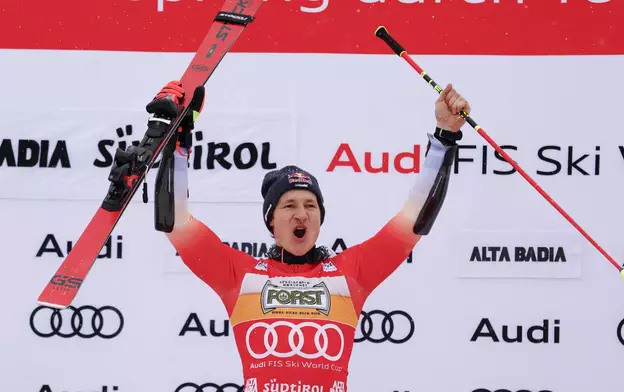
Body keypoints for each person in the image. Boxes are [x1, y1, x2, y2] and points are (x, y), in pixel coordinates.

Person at [147, 79, 471, 392]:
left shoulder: (352, 272)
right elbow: (174, 221)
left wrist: (444, 138)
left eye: (311, 205)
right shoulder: (239, 275)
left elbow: (414, 220)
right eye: (289, 204)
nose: (301, 213)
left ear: (320, 218)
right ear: (271, 220)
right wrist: (177, 147)